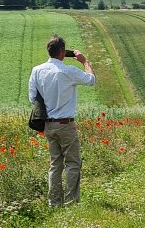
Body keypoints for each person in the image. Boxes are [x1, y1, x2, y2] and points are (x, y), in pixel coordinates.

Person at [28, 36, 95, 207]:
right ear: (63, 52)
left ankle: (54, 203)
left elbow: (32, 98)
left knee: (55, 164)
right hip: (66, 124)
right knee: (72, 162)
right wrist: (84, 61)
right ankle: (71, 202)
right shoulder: (68, 70)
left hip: (48, 124)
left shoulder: (37, 70)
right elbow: (91, 80)